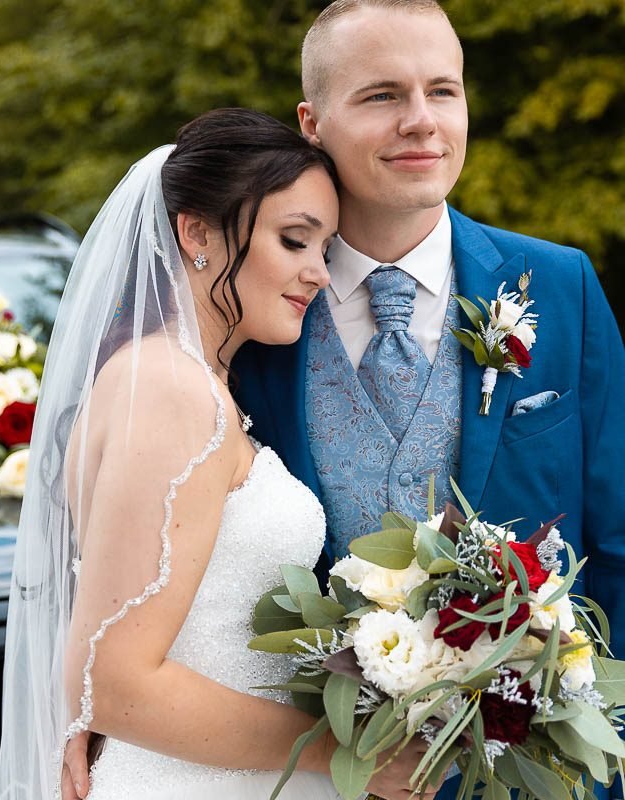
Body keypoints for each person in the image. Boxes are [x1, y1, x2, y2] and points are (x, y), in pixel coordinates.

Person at [230, 2, 625, 799]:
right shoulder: (249, 315)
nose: (422, 122)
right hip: (318, 774)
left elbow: (617, 543)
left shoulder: (560, 286)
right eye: (381, 96)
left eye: (442, 91)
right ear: (312, 121)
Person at [0, 106, 422, 800]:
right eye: (294, 240)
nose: (318, 273)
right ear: (195, 231)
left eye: (325, 249)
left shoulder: (174, 378)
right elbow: (115, 684)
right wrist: (344, 751)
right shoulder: (169, 390)